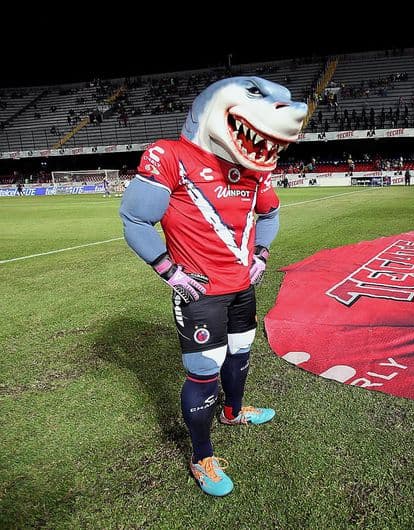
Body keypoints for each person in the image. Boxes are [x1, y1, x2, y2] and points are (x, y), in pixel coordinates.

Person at [119, 77, 307, 496]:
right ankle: (201, 456)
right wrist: (170, 271)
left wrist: (261, 255)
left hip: (242, 287)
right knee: (204, 373)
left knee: (240, 353)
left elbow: (271, 215)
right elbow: (134, 219)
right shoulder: (168, 154)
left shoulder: (256, 171)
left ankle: (234, 411)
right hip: (199, 293)